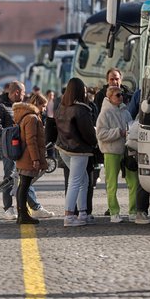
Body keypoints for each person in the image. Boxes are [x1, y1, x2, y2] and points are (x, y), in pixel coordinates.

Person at [0, 81, 53, 220]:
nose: (25, 95)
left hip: (22, 147)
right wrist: (10, 135)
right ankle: (8, 208)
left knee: (25, 176)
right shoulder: (1, 105)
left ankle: (34, 207)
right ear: (16, 92)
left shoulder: (21, 105)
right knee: (10, 177)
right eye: (23, 92)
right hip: (9, 147)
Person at [55, 77, 98, 227]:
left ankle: (83, 213)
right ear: (81, 91)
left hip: (63, 148)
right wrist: (94, 142)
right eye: (85, 90)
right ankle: (69, 216)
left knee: (83, 180)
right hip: (79, 150)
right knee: (75, 181)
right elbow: (88, 132)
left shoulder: (61, 106)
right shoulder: (81, 109)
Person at [96, 86, 137, 223]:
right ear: (110, 97)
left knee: (133, 182)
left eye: (122, 95)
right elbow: (101, 134)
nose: (121, 97)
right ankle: (114, 212)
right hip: (111, 152)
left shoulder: (125, 111)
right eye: (118, 95)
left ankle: (133, 211)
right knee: (112, 184)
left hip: (127, 151)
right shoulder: (105, 113)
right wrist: (118, 132)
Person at [13, 93, 50, 224]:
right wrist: (36, 159)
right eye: (43, 106)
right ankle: (23, 215)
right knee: (24, 186)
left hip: (23, 155)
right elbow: (31, 140)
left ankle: (22, 214)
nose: (44, 109)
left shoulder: (24, 116)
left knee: (23, 185)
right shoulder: (32, 118)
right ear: (36, 104)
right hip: (28, 156)